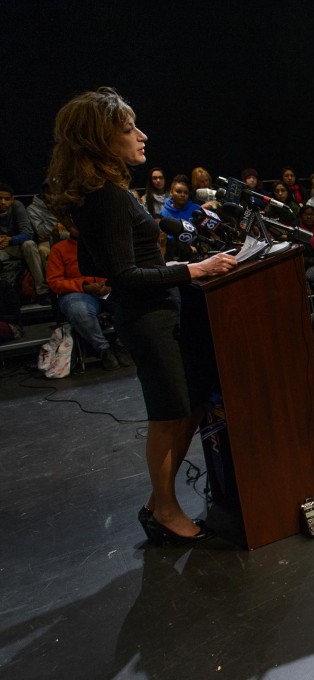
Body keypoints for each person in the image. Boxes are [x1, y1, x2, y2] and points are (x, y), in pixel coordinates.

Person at [46, 87, 237, 544]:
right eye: (129, 128)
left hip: (159, 309)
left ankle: (159, 501)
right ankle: (165, 513)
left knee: (188, 407)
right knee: (168, 415)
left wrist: (172, 267)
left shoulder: (111, 191)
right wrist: (194, 268)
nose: (142, 135)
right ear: (100, 139)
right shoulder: (107, 197)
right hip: (146, 318)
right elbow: (124, 276)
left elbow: (111, 265)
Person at [45, 223, 131, 370]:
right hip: (77, 293)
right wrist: (84, 286)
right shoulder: (59, 249)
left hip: (108, 288)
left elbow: (121, 268)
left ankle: (123, 345)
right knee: (78, 310)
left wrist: (109, 284)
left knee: (131, 301)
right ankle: (104, 350)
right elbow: (54, 283)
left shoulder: (105, 245)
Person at [0, 182, 51, 303]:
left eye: (6, 199)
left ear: (12, 199)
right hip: (2, 248)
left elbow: (28, 233)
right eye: (0, 199)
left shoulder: (17, 206)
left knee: (30, 244)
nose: (2, 202)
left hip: (16, 245)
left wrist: (10, 239)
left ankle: (42, 291)